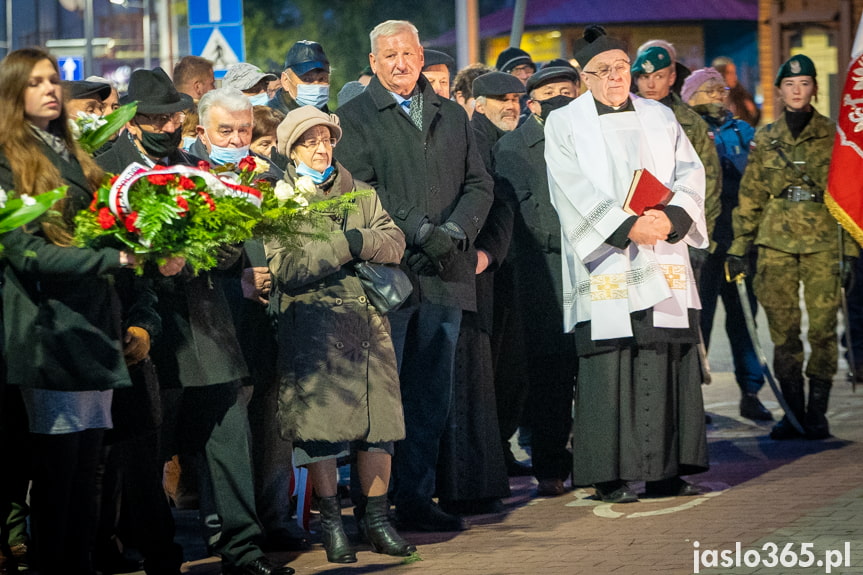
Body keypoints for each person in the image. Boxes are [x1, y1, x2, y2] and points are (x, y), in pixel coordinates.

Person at [0, 48, 176, 575]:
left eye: (54, 80)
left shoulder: (75, 154)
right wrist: (113, 256)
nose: (51, 90)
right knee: (59, 477)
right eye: (36, 83)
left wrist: (152, 242)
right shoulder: (10, 160)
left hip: (96, 326)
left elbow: (110, 221)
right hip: (49, 330)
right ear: (14, 94)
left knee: (90, 473)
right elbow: (23, 250)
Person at [335, 19, 493, 532]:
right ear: (374, 63)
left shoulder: (452, 114)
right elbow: (361, 187)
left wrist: (454, 232)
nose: (399, 63)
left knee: (429, 396)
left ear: (422, 56)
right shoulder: (355, 116)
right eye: (388, 55)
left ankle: (417, 496)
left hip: (447, 274)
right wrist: (421, 230)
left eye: (407, 53)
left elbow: (479, 184)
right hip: (388, 276)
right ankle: (372, 508)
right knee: (381, 393)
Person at [546, 26, 710, 504]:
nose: (617, 76)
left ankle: (665, 471)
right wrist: (624, 227)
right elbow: (569, 188)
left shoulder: (660, 115)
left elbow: (690, 173)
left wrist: (671, 217)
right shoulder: (565, 122)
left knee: (662, 354)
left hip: (661, 250)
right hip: (607, 260)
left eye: (623, 68)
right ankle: (609, 475)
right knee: (609, 361)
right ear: (584, 74)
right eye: (605, 70)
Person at [142, 87, 295, 575]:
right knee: (152, 445)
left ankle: (243, 550)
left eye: (243, 130)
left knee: (228, 436)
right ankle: (158, 551)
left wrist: (205, 253)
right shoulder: (122, 170)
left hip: (210, 322)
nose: (165, 128)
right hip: (156, 327)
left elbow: (227, 241)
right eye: (154, 120)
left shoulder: (197, 171)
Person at [267, 105, 415, 563]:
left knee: (378, 430)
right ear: (291, 150)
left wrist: (359, 242)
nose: (321, 148)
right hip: (315, 328)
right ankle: (332, 524)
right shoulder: (282, 198)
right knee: (322, 432)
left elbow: (395, 242)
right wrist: (348, 243)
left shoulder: (362, 192)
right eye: (309, 141)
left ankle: (376, 521)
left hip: (369, 326)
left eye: (327, 139)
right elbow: (287, 265)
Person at [727, 55, 856, 440]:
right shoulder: (765, 138)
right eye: (790, 85)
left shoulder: (835, 137)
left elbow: (848, 196)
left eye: (804, 84)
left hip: (822, 242)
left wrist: (849, 251)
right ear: (780, 91)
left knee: (822, 331)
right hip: (776, 243)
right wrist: (738, 247)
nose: (797, 91)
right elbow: (751, 196)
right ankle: (794, 413)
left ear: (814, 88)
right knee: (783, 332)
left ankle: (817, 413)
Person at [494, 64, 581, 497]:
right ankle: (550, 464)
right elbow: (525, 215)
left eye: (568, 91)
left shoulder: (593, 138)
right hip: (544, 279)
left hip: (596, 270)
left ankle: (596, 459)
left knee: (594, 370)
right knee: (550, 376)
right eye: (550, 94)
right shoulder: (513, 148)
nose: (560, 99)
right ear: (532, 104)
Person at [681, 68, 769, 421]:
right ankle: (691, 399)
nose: (718, 93)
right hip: (701, 244)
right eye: (709, 88)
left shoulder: (742, 131)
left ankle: (751, 392)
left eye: (722, 88)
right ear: (689, 96)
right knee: (697, 324)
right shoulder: (683, 130)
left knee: (745, 320)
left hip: (739, 243)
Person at [631, 45, 721, 257]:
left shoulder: (690, 123)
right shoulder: (623, 117)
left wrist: (694, 233)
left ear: (671, 78)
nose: (650, 84)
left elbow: (709, 182)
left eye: (658, 76)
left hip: (680, 228)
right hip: (634, 229)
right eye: (644, 77)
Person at [96, 67, 196, 172]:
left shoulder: (196, 169)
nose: (170, 128)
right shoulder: (101, 172)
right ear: (131, 123)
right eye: (160, 119)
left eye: (176, 117)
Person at [267, 40, 330, 114]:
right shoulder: (270, 120)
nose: (316, 86)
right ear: (285, 81)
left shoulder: (329, 117)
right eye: (307, 79)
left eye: (322, 79)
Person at [712, 56, 760, 127]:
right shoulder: (710, 97)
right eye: (730, 73)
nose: (735, 77)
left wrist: (753, 112)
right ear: (721, 74)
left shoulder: (740, 95)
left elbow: (752, 118)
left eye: (734, 73)